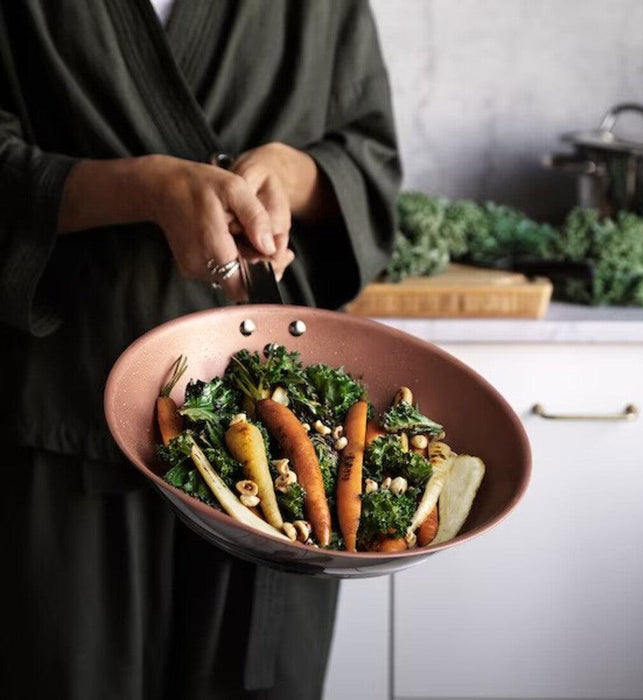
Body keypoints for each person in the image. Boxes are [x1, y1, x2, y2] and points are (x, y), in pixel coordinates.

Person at [0, 1, 401, 698]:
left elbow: (370, 163)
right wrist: (144, 190)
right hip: (68, 426)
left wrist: (295, 174)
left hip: (282, 451)